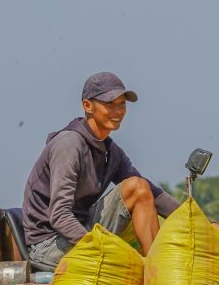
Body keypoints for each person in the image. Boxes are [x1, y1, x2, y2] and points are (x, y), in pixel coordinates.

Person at [21, 71, 181, 271]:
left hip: (84, 228)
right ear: (87, 106)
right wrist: (100, 248)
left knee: (139, 188)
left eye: (122, 104)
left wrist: (201, 222)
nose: (118, 111)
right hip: (50, 244)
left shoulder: (109, 150)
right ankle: (155, 272)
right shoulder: (69, 145)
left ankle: (155, 268)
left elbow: (152, 194)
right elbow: (60, 215)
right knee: (136, 191)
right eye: (109, 104)